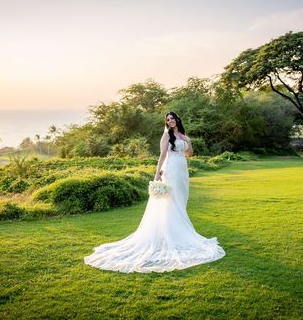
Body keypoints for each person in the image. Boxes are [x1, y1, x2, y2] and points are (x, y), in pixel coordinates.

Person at [84, 111, 225, 273]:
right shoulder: (166, 136)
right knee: (171, 202)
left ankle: (177, 231)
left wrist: (189, 142)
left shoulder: (183, 135)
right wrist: (157, 173)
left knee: (180, 201)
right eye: (168, 119)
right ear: (166, 122)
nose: (170, 121)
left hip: (182, 171)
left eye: (172, 118)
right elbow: (162, 155)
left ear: (177, 119)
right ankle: (170, 233)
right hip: (171, 170)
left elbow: (189, 154)